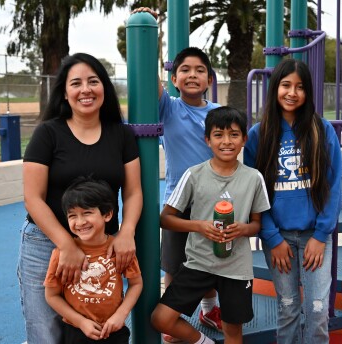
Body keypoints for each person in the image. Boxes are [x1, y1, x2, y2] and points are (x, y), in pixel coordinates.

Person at [19, 53, 143, 344]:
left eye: (93, 81)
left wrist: (126, 232)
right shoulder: (48, 133)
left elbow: (134, 191)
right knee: (46, 332)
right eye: (76, 83)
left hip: (102, 244)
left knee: (99, 330)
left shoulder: (121, 135)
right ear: (65, 92)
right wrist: (65, 245)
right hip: (46, 242)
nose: (85, 89)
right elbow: (32, 198)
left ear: (105, 88)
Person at [134, 7, 223, 338]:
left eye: (200, 70)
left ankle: (209, 306)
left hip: (215, 201)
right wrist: (151, 35)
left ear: (209, 81)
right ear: (174, 78)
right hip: (178, 204)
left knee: (213, 263)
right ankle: (172, 324)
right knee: (174, 265)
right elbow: (148, 77)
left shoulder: (219, 114)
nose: (192, 75)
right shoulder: (169, 107)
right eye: (184, 70)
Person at [151, 106, 271, 344]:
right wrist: (199, 226)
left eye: (234, 134)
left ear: (244, 139)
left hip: (236, 269)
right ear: (207, 140)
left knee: (233, 331)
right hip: (199, 263)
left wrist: (243, 229)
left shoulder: (254, 178)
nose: (226, 141)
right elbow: (165, 219)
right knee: (161, 318)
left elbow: (257, 224)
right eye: (218, 135)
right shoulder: (194, 175)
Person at [243, 58, 342, 343]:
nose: (292, 92)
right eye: (286, 85)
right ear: (275, 88)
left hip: (315, 236)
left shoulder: (322, 131)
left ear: (308, 92)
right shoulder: (258, 136)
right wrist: (272, 238)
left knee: (317, 310)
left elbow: (333, 186)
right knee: (287, 309)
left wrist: (322, 234)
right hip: (279, 238)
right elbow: (255, 192)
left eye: (300, 87)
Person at [44, 177, 143, 344]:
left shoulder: (120, 249)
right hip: (76, 331)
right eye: (72, 216)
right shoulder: (62, 255)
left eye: (87, 213)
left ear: (107, 214)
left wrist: (121, 315)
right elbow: (51, 296)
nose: (80, 222)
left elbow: (136, 284)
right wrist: (80, 321)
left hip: (114, 329)